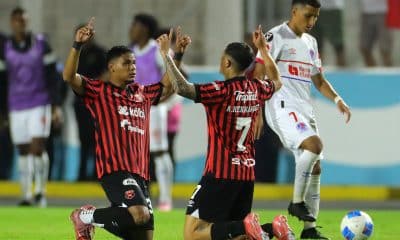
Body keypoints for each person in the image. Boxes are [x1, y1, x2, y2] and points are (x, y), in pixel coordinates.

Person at [157, 26, 295, 240]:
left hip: (219, 174)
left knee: (192, 234)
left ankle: (248, 227)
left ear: (228, 63)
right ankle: (272, 228)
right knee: (232, 234)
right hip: (246, 175)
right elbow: (277, 81)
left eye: (222, 58)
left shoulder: (219, 91)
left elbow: (181, 88)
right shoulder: (256, 88)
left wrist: (168, 55)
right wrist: (263, 50)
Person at [65, 18, 176, 240]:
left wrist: (174, 55)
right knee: (140, 214)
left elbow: (168, 86)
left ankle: (90, 221)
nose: (133, 68)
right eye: (127, 63)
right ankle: (85, 216)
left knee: (143, 235)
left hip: (140, 172)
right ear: (111, 67)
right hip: (114, 169)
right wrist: (77, 46)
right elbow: (69, 77)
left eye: (134, 63)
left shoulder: (141, 93)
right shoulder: (98, 92)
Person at [253, 0, 351, 239]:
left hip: (304, 109)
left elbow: (318, 80)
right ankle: (296, 202)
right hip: (281, 106)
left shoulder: (311, 42)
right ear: (294, 11)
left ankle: (309, 230)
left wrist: (337, 99)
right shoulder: (275, 36)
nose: (312, 22)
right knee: (314, 145)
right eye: (308, 15)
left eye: (316, 17)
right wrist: (256, 113)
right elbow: (258, 74)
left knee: (315, 165)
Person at [0, 7, 63, 206]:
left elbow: (53, 76)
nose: (21, 23)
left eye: (24, 20)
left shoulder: (42, 44)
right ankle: (26, 194)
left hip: (39, 102)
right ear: (12, 23)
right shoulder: (5, 47)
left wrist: (55, 106)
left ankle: (40, 192)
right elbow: (1, 80)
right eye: (17, 20)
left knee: (37, 147)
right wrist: (2, 111)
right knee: (23, 150)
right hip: (16, 104)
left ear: (28, 22)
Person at [129, 13, 174, 211]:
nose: (131, 29)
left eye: (135, 25)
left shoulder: (156, 50)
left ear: (145, 29)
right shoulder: (130, 51)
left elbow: (174, 73)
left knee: (159, 151)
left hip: (154, 108)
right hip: (134, 108)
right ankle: (141, 197)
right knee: (137, 153)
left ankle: (165, 198)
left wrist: (164, 100)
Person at [72, 23, 107, 181]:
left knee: (97, 139)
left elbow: (109, 73)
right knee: (83, 139)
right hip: (80, 102)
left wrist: (93, 87)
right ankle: (82, 174)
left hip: (97, 102)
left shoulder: (101, 53)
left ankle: (96, 173)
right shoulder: (76, 53)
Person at [311, 0, 346, 66]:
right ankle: (317, 73)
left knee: (338, 44)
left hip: (332, 8)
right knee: (316, 44)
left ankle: (342, 73)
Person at [359, 0, 393, 66]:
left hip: (383, 11)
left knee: (385, 49)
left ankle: (389, 75)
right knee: (364, 48)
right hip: (366, 11)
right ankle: (373, 73)